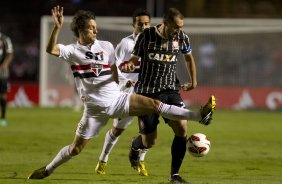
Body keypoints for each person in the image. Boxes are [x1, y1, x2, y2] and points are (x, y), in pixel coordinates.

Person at [27, 6, 215, 180]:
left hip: (117, 100)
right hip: (94, 109)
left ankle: (199, 115)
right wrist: (57, 27)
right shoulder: (72, 51)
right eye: (91, 28)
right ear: (81, 30)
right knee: (76, 149)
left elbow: (115, 71)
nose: (96, 30)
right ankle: (48, 169)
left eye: (95, 27)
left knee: (155, 105)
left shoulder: (107, 46)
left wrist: (123, 82)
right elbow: (51, 49)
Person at [120, 8, 209, 183]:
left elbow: (189, 58)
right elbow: (134, 60)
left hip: (170, 90)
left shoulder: (182, 37)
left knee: (182, 130)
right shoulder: (145, 36)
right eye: (176, 27)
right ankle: (135, 145)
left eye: (180, 27)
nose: (178, 31)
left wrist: (194, 81)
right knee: (150, 141)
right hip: (147, 93)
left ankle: (174, 176)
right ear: (166, 23)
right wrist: (129, 66)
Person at [95, 9, 151, 176]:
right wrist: (124, 80)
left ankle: (141, 160)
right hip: (128, 93)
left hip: (147, 92)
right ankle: (103, 159)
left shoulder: (154, 43)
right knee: (118, 130)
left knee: (149, 130)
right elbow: (114, 67)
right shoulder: (126, 44)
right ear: (133, 25)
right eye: (140, 24)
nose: (143, 26)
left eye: (147, 23)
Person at [0, 31, 13, 127]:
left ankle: (3, 118)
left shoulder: (5, 39)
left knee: (3, 93)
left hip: (2, 70)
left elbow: (10, 53)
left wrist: (5, 64)